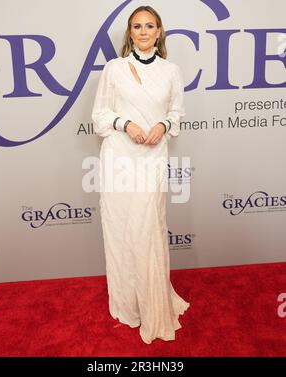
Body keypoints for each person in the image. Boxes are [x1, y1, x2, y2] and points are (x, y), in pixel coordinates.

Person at [91, 5, 190, 344]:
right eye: (138, 26)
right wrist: (126, 123)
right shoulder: (114, 68)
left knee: (148, 228)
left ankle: (153, 305)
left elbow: (177, 113)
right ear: (130, 33)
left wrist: (162, 124)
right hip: (118, 157)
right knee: (120, 229)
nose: (144, 31)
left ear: (159, 32)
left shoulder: (171, 71)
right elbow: (100, 115)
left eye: (150, 26)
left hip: (152, 157)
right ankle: (128, 304)